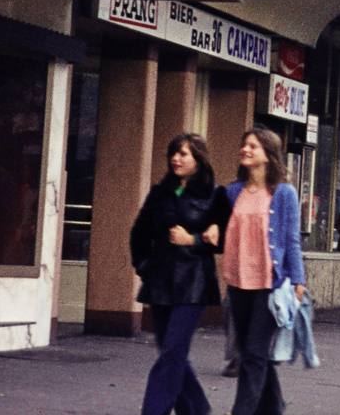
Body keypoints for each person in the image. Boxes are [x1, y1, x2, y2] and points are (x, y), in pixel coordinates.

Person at [129, 133, 230, 415]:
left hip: (194, 284)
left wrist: (195, 240)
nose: (176, 158)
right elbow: (139, 233)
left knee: (173, 350)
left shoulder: (215, 196)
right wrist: (145, 267)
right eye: (173, 152)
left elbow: (226, 241)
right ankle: (197, 409)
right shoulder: (159, 192)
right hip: (159, 281)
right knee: (169, 351)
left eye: (183, 153)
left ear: (198, 159)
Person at [222, 125, 305, 415]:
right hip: (237, 282)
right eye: (244, 144)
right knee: (250, 351)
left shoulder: (283, 194)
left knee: (254, 354)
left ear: (268, 155)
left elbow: (292, 240)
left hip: (270, 284)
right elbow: (217, 228)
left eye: (253, 146)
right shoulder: (233, 192)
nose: (245, 149)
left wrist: (298, 280)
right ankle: (273, 408)